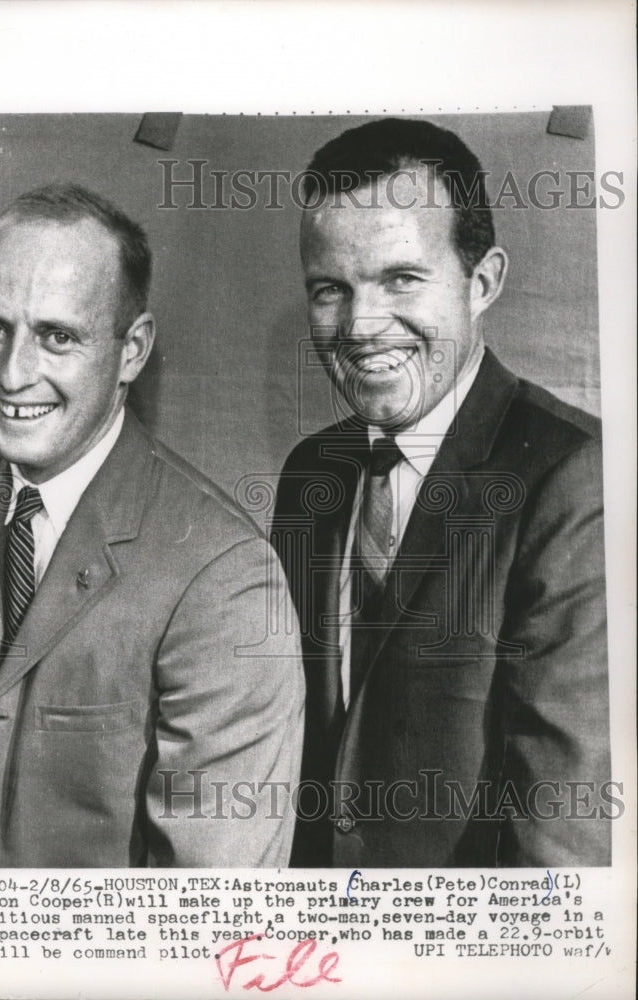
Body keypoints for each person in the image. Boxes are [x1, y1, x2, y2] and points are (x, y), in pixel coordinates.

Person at [0, 183, 304, 868]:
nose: (11, 373)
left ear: (131, 350)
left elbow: (211, 915)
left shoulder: (226, 576)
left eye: (57, 336)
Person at [272, 118, 610, 867]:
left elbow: (564, 826)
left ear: (481, 281)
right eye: (330, 289)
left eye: (400, 278)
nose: (360, 327)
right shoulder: (311, 474)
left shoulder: (575, 477)